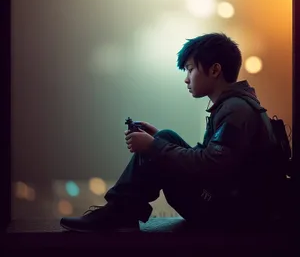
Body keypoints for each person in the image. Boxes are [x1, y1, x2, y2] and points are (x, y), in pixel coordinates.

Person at [60, 33, 277, 232]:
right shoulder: (235, 106)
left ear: (214, 70)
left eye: (190, 69)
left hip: (230, 216)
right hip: (232, 207)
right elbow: (216, 161)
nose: (186, 78)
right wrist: (158, 142)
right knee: (166, 136)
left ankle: (119, 213)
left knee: (162, 141)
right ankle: (120, 211)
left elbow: (211, 166)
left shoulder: (235, 110)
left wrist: (154, 146)